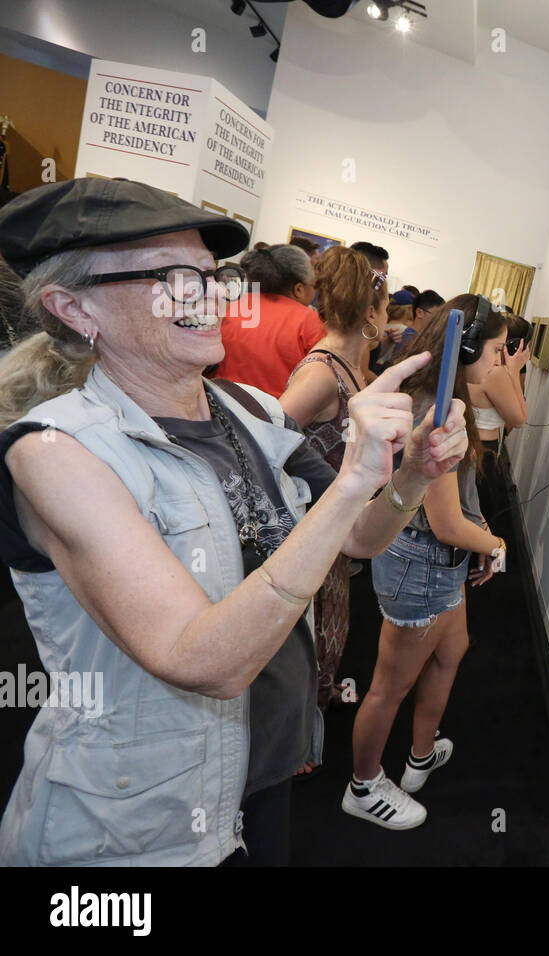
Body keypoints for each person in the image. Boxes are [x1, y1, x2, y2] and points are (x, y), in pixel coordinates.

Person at [0, 177, 468, 866]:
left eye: (213, 275)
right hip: (137, 823)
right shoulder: (57, 453)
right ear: (73, 308)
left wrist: (412, 475)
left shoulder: (250, 410)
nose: (214, 295)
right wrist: (351, 484)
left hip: (260, 767)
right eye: (174, 278)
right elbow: (201, 660)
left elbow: (362, 539)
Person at [346, 294, 510, 830]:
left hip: (440, 561)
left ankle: (419, 756)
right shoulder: (434, 409)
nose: (502, 362)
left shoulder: (448, 398)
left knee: (451, 650)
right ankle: (363, 785)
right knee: (389, 685)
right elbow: (444, 523)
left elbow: (458, 506)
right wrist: (494, 545)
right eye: (498, 350)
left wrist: (476, 538)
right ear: (466, 347)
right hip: (420, 559)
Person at [279, 246, 383, 724]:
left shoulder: (348, 369)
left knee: (327, 628)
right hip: (310, 526)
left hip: (332, 525)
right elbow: (270, 441)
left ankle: (307, 718)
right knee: (306, 631)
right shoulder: (322, 373)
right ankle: (297, 731)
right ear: (370, 312)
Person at [213, 243, 324, 397]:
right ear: (299, 289)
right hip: (273, 413)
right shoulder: (308, 321)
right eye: (314, 285)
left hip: (220, 401)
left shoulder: (234, 306)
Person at [468, 309, 530, 524]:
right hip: (485, 450)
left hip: (476, 446)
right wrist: (514, 371)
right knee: (487, 516)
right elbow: (519, 418)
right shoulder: (496, 374)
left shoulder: (479, 367)